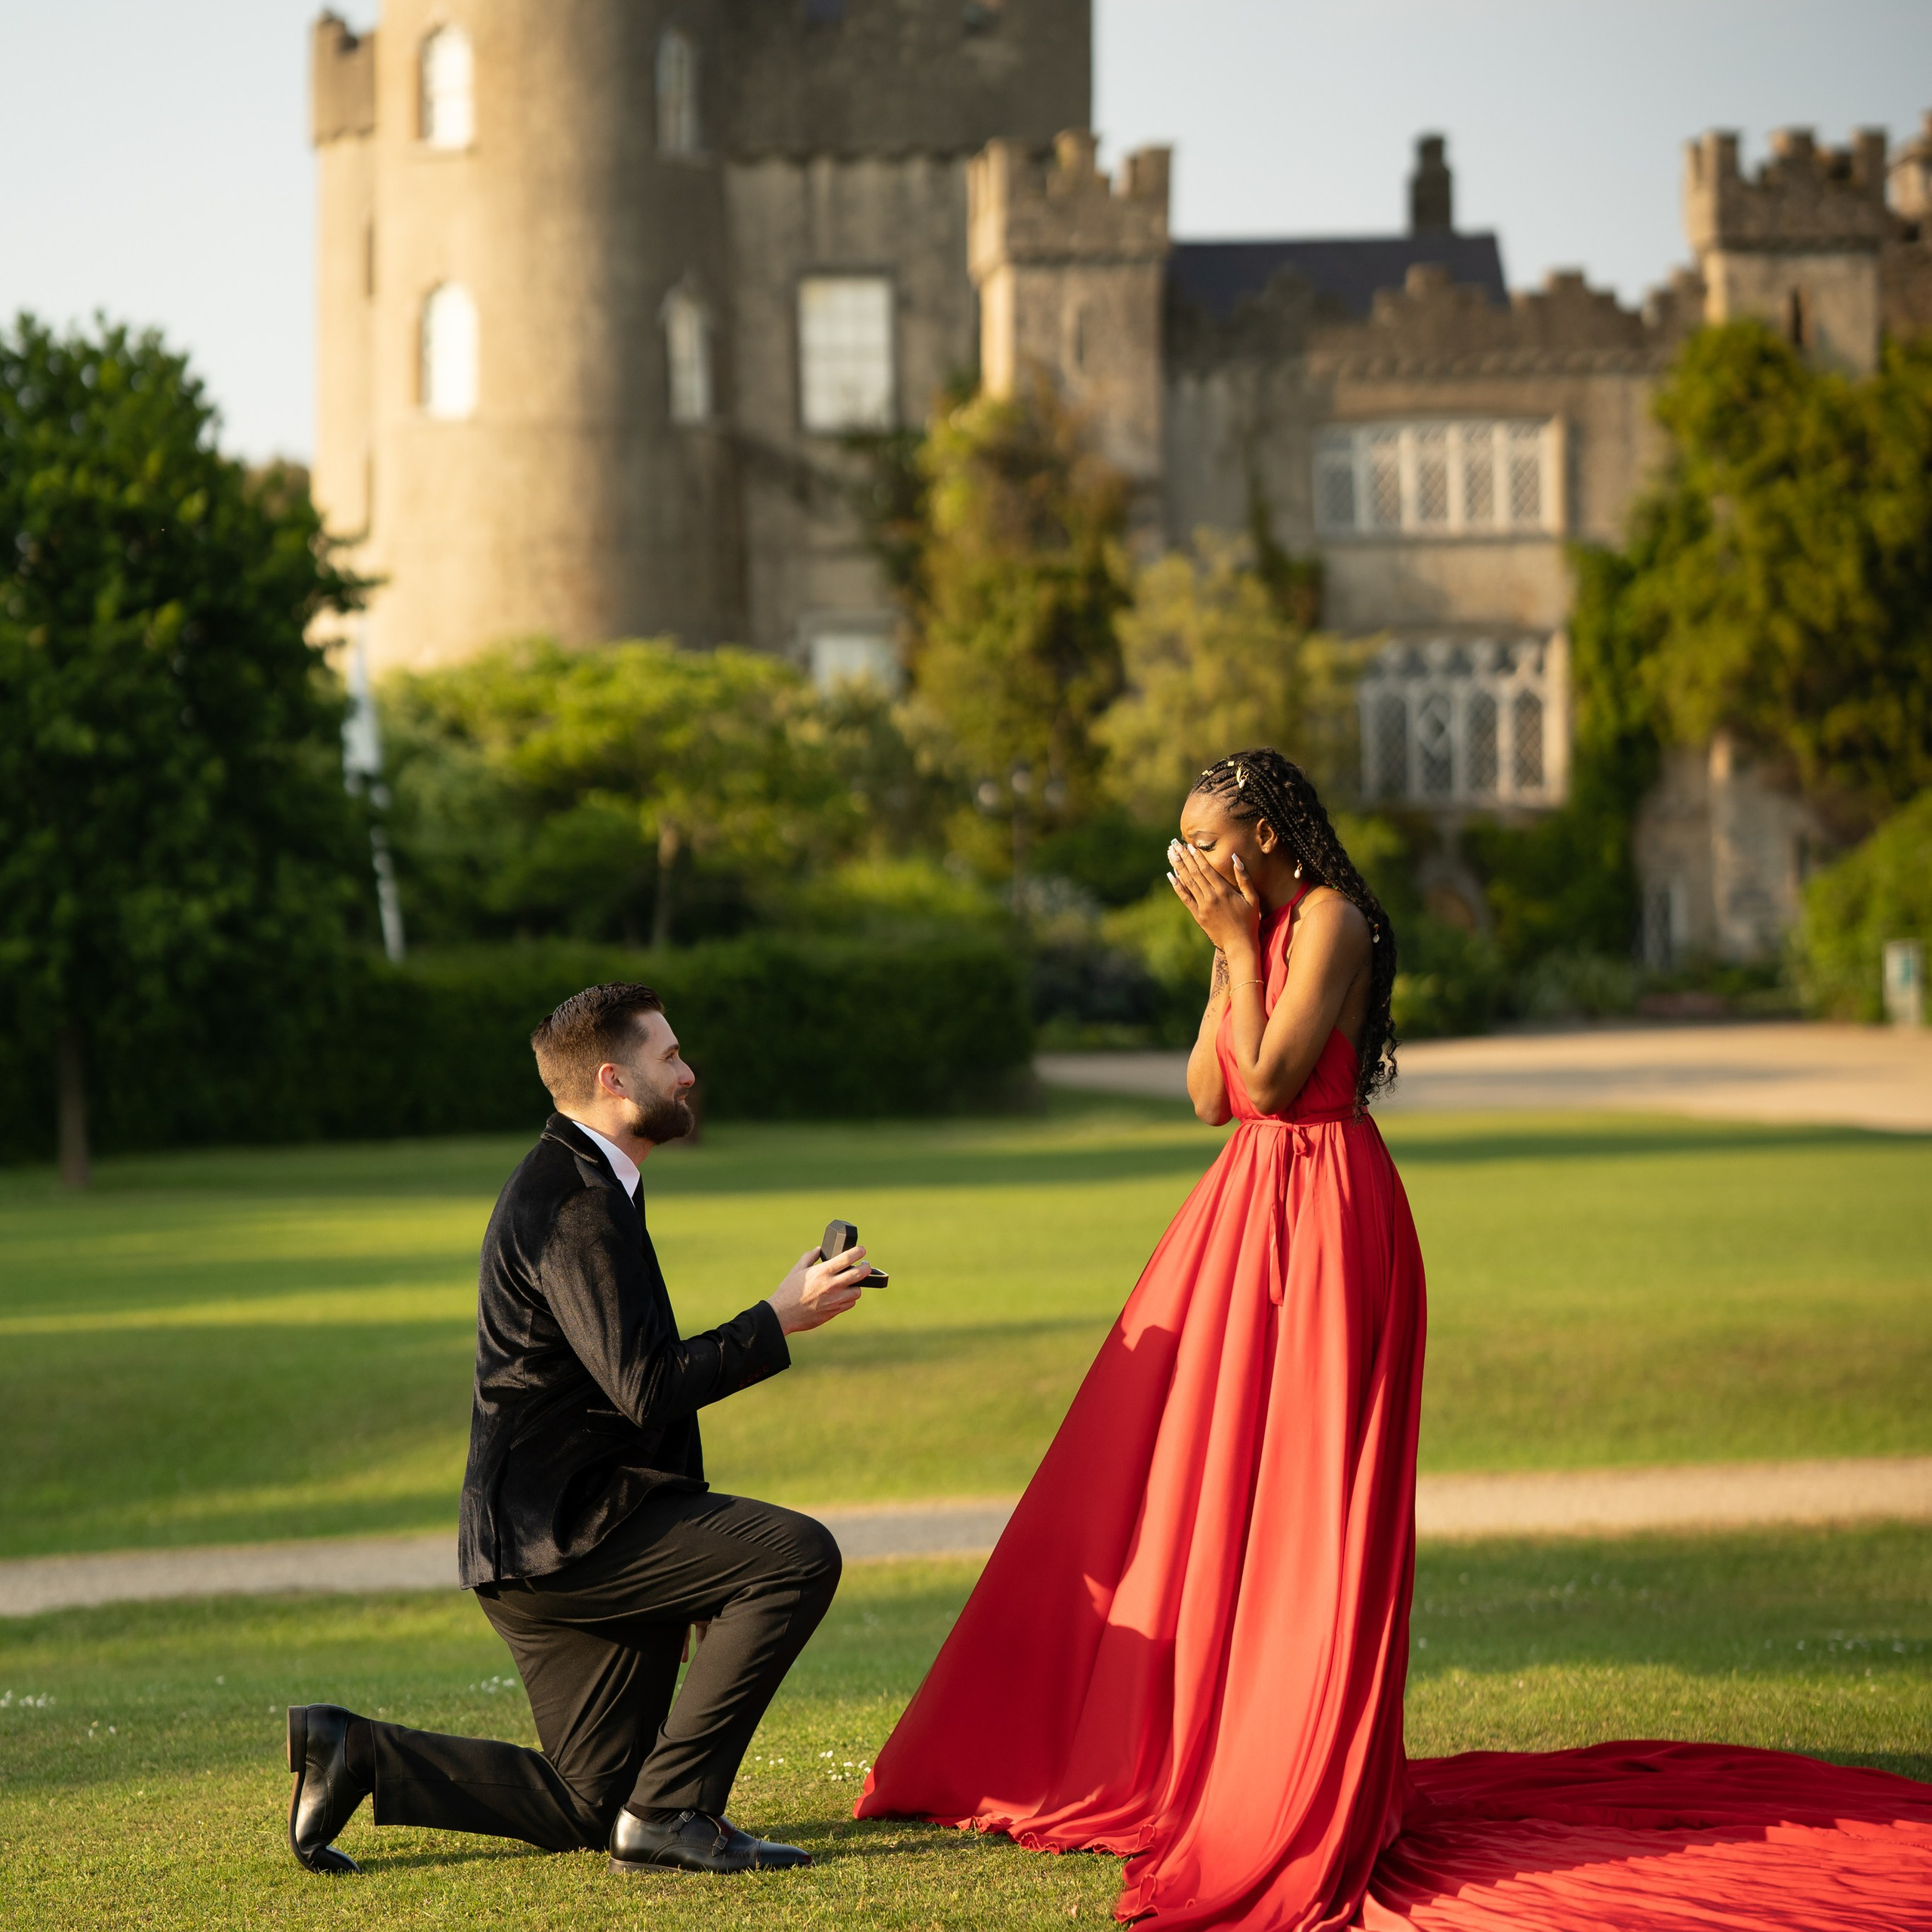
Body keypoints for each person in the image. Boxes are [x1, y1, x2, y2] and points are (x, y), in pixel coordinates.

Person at [856, 749, 1932, 1930]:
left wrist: (1233, 951)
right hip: (1239, 1215)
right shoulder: (1258, 931)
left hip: (1323, 1210)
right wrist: (1223, 957)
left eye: (1211, 843)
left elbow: (1271, 1082)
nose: (1197, 865)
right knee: (1204, 1487)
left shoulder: (1331, 924)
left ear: (1268, 835)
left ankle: (1295, 1763)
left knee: (1311, 1496)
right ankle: (1195, 1752)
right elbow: (1210, 1101)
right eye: (1188, 845)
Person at [287, 982, 877, 1878]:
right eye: (670, 1056)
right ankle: (675, 1812)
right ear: (613, 1077)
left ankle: (359, 1753)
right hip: (563, 1535)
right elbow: (647, 1385)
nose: (688, 1072)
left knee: (589, 1804)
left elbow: (622, 1376)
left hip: (551, 1536)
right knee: (794, 1554)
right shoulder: (576, 1201)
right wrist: (776, 1317)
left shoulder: (591, 1180)